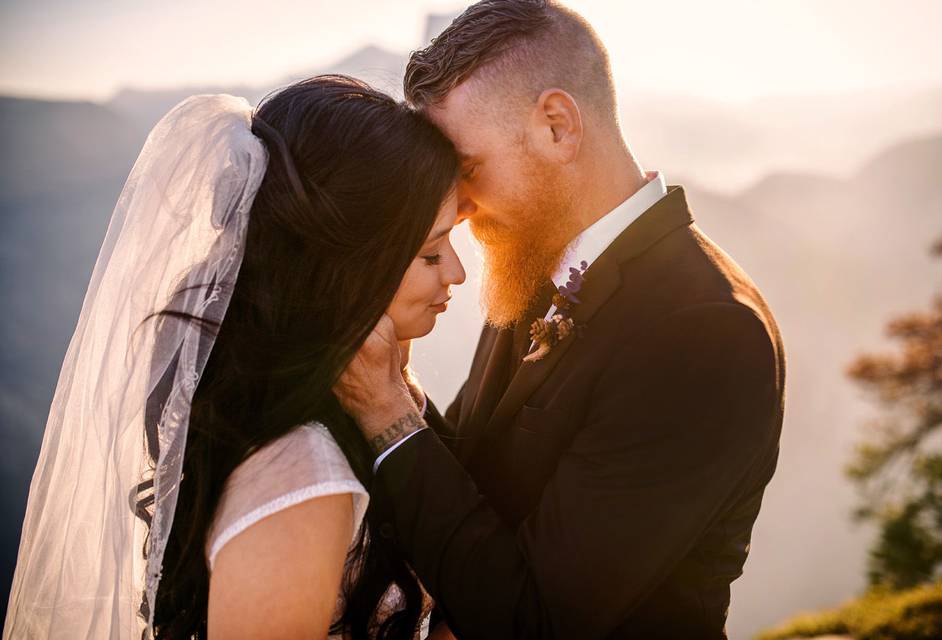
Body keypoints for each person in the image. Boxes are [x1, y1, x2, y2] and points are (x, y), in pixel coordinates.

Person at [333, 1, 786, 638]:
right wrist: (399, 392)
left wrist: (387, 420)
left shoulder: (704, 331)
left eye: (466, 170)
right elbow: (479, 480)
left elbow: (538, 622)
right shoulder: (535, 264)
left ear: (556, 126)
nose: (456, 206)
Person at [5, 75, 466, 639]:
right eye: (429, 252)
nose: (458, 273)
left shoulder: (326, 420)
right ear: (346, 269)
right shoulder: (301, 483)